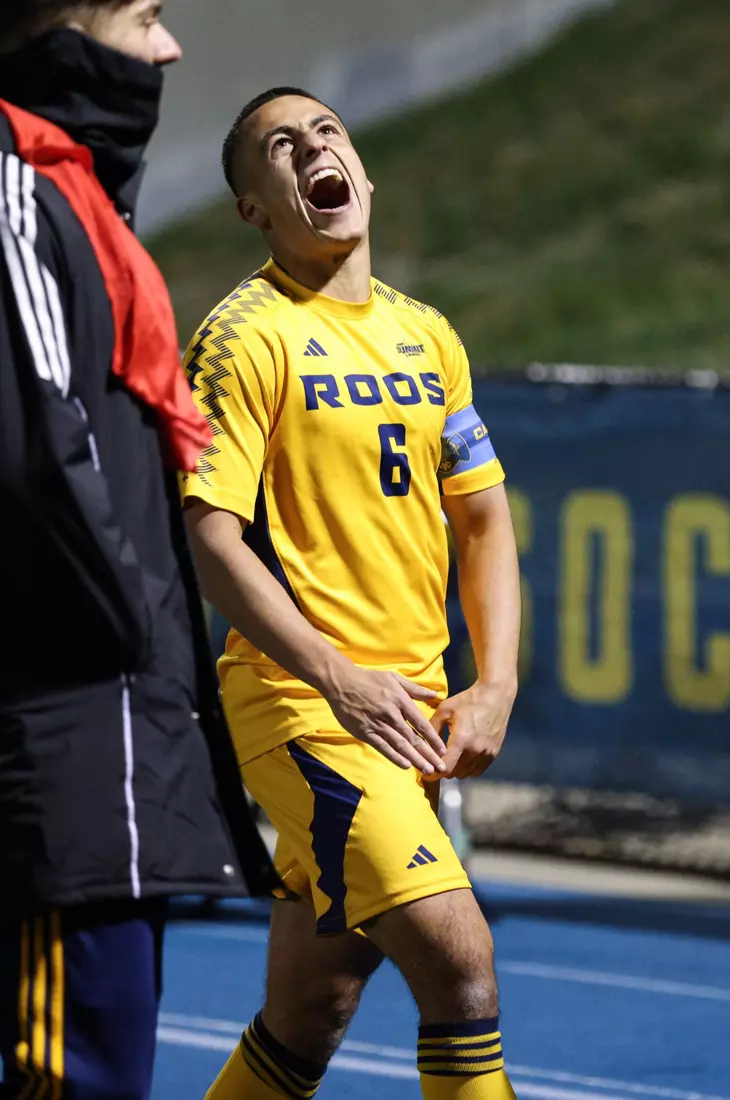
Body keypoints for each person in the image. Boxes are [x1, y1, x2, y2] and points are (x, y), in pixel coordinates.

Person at [182, 86, 521, 1100]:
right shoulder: (245, 337)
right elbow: (207, 536)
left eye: (326, 133)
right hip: (307, 712)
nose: (311, 149)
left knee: (307, 1012)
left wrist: (493, 682)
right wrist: (334, 675)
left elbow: (484, 521)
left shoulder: (428, 336)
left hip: (410, 716)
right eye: (278, 147)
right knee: (459, 963)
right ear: (256, 206)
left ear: (360, 172)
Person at [0, 5, 277, 1099]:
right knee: (79, 1076)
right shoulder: (20, 184)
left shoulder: (72, 189)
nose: (169, 51)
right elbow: (33, 454)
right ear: (53, 31)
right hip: (72, 724)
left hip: (99, 722)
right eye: (145, 16)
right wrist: (126, 628)